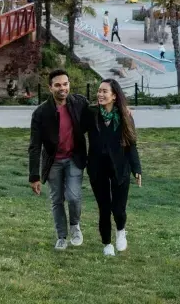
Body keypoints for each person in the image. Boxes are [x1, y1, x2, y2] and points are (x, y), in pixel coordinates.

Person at [28, 69, 89, 250]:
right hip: (53, 161)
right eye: (58, 85)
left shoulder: (80, 103)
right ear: (50, 88)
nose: (62, 88)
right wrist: (34, 176)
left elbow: (99, 113)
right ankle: (61, 236)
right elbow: (34, 146)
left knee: (73, 196)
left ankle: (75, 226)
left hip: (74, 158)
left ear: (69, 85)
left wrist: (121, 108)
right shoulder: (40, 113)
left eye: (65, 84)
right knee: (57, 200)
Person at [84, 79, 142, 256]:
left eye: (104, 92)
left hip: (120, 167)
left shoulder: (124, 115)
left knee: (118, 208)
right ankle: (106, 243)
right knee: (104, 207)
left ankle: (121, 232)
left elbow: (131, 144)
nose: (100, 94)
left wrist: (136, 168)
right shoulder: (91, 113)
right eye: (99, 91)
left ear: (114, 96)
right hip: (97, 167)